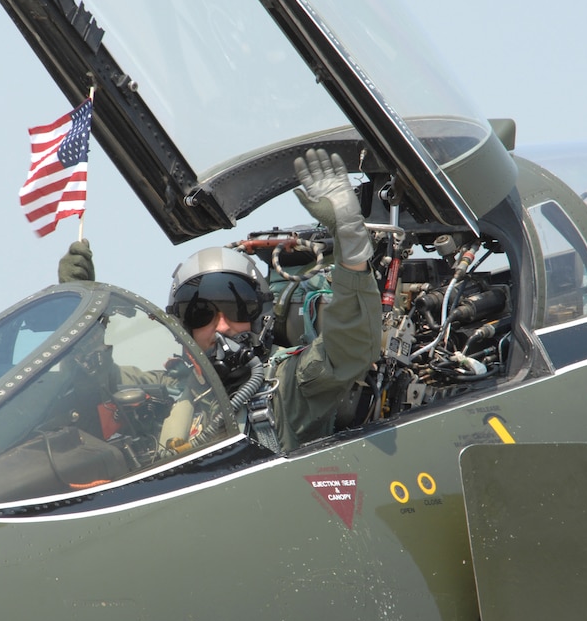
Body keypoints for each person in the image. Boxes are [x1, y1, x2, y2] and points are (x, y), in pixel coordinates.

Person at [58, 148, 382, 452]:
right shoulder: (175, 389)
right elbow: (100, 378)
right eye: (201, 315)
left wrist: (350, 239)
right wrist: (79, 313)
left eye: (235, 307)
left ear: (261, 316)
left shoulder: (290, 383)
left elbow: (350, 344)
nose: (221, 326)